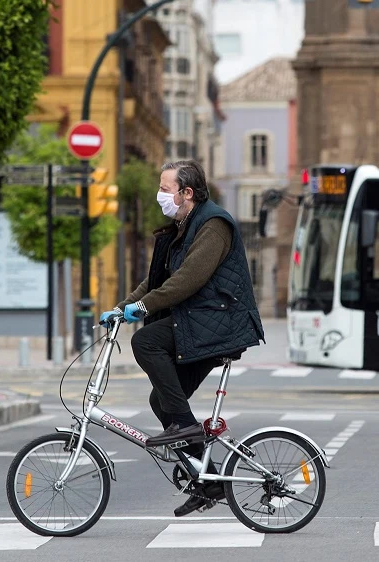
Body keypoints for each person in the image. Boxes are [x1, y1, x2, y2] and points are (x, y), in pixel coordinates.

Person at [98, 160, 265, 516]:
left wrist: (142, 310)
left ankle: (186, 428)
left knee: (146, 342)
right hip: (200, 321)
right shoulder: (182, 227)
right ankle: (209, 481)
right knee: (163, 403)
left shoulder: (213, 225)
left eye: (165, 188)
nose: (160, 195)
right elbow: (157, 281)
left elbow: (189, 279)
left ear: (187, 193)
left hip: (220, 323)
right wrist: (121, 307)